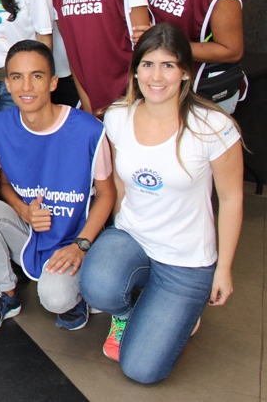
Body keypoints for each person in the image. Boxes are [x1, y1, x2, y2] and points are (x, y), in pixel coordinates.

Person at [80, 23, 243, 383]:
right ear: (135, 69)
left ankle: (179, 311)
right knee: (96, 285)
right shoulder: (119, 116)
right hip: (133, 238)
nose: (157, 76)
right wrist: (111, 240)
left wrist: (224, 268)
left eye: (168, 65)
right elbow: (120, 183)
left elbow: (231, 198)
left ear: (185, 71)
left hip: (185, 260)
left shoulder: (213, 126)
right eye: (148, 64)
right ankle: (134, 309)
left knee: (141, 369)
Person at [0, 40, 113, 333]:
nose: (27, 86)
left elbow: (107, 194)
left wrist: (81, 246)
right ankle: (6, 293)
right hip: (30, 233)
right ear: (7, 84)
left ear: (53, 82)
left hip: (74, 238)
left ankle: (77, 294)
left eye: (36, 76)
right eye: (17, 77)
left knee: (55, 299)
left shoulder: (89, 130)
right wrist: (22, 210)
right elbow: (3, 182)